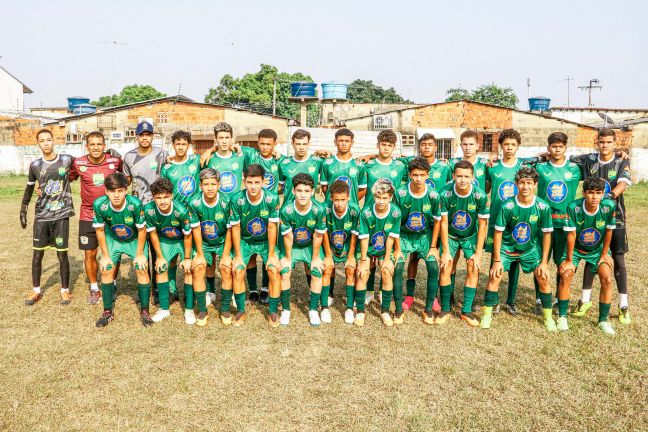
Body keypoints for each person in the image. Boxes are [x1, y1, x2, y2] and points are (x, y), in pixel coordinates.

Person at [480, 167, 555, 331]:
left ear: (535, 184)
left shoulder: (543, 207)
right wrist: (497, 260)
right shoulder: (507, 206)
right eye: (522, 183)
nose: (525, 187)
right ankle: (486, 315)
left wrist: (544, 262)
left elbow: (547, 235)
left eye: (529, 183)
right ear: (516, 184)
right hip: (507, 248)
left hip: (530, 249)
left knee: (543, 278)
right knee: (495, 275)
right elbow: (498, 232)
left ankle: (548, 318)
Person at [570, 128, 632, 324]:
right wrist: (545, 155)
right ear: (597, 142)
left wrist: (605, 199)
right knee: (591, 256)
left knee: (618, 261)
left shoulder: (622, 161)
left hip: (616, 217)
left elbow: (622, 185)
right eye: (602, 142)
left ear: (615, 143)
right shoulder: (588, 159)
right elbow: (564, 156)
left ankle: (623, 306)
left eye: (609, 142)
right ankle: (585, 300)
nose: (605, 145)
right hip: (590, 219)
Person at [557, 177, 617, 335]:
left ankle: (603, 320)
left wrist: (604, 254)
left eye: (598, 193)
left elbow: (609, 230)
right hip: (575, 249)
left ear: (603, 194)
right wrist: (569, 260)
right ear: (584, 193)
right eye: (591, 193)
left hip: (597, 250)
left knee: (607, 278)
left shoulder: (609, 206)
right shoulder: (573, 207)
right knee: (566, 274)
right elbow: (571, 235)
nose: (594, 197)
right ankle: (562, 316)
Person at [20, 129, 74, 306]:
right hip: (42, 215)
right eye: (42, 141)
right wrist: (23, 209)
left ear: (54, 141)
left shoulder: (66, 160)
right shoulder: (35, 165)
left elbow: (87, 161)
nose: (46, 143)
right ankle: (36, 291)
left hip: (61, 215)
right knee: (37, 254)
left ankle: (65, 291)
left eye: (49, 140)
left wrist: (111, 153)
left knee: (62, 255)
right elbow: (29, 187)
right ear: (38, 144)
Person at [92, 173, 152, 327]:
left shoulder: (135, 204)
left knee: (141, 268)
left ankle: (145, 311)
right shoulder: (100, 204)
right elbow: (99, 231)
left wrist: (139, 255)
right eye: (112, 191)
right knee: (106, 269)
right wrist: (105, 256)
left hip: (133, 240)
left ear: (126, 190)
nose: (116, 195)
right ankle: (107, 312)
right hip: (113, 239)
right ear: (106, 192)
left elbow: (142, 230)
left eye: (120, 191)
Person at [69, 131, 123, 304]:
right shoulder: (78, 163)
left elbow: (125, 178)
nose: (96, 147)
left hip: (111, 214)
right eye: (92, 144)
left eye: (99, 144)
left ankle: (112, 283)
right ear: (87, 146)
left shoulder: (114, 161)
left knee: (113, 252)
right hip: (87, 214)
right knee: (90, 253)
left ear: (104, 145)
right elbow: (65, 178)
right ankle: (94, 288)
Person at [484, 129, 532, 315]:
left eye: (513, 144)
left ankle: (510, 300)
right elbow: (487, 188)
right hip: (497, 219)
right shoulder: (493, 168)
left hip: (518, 221)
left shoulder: (524, 167)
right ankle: (494, 299)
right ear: (501, 146)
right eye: (506, 144)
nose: (509, 148)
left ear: (518, 146)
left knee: (515, 260)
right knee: (496, 258)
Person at [533, 132, 582, 314]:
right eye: (554, 146)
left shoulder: (575, 169)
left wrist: (620, 155)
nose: (557, 149)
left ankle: (557, 297)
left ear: (565, 148)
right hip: (544, 223)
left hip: (566, 224)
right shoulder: (540, 168)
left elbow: (596, 162)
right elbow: (517, 165)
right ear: (548, 148)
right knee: (541, 261)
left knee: (562, 262)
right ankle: (540, 298)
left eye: (560, 146)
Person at [437, 160, 489, 327]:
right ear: (453, 176)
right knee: (446, 266)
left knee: (473, 266)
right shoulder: (445, 193)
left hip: (470, 236)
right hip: (451, 235)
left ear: (472, 177)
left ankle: (466, 311)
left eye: (466, 176)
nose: (462, 180)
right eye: (459, 176)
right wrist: (445, 251)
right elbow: (443, 223)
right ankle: (445, 308)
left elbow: (482, 225)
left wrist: (479, 253)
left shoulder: (480, 195)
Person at [229, 164, 282, 327]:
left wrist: (272, 254)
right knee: (238, 271)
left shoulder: (272, 198)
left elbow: (273, 227)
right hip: (245, 239)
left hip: (266, 240)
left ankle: (273, 311)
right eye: (249, 182)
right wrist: (237, 256)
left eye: (257, 182)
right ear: (244, 181)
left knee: (273, 269)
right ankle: (240, 311)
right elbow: (235, 227)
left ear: (263, 182)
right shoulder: (236, 199)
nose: (253, 186)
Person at [359, 129, 407, 306]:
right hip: (370, 217)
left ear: (394, 147)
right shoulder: (368, 166)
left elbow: (418, 164)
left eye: (389, 145)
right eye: (383, 144)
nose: (386, 148)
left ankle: (381, 290)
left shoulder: (400, 166)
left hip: (389, 217)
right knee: (370, 254)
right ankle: (369, 291)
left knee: (385, 256)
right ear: (378, 145)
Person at [122, 121, 169, 303]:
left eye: (148, 134)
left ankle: (158, 288)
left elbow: (171, 171)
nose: (144, 137)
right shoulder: (128, 157)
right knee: (141, 250)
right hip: (138, 209)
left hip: (157, 208)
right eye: (141, 135)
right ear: (137, 136)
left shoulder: (162, 154)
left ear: (152, 136)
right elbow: (125, 182)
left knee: (157, 250)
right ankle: (146, 286)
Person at [144, 178, 202, 323]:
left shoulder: (181, 210)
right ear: (153, 197)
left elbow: (188, 236)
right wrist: (159, 256)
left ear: (172, 195)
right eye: (158, 198)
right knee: (161, 267)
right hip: (165, 240)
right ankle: (164, 309)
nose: (162, 201)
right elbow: (153, 234)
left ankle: (188, 310)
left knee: (189, 269)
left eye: (166, 197)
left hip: (182, 240)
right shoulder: (149, 210)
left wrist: (187, 258)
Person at [393, 157, 441, 324]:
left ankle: (428, 309)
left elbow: (437, 221)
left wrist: (434, 246)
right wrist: (397, 248)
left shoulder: (434, 195)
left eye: (422, 174)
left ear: (428, 175)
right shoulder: (400, 193)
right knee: (398, 267)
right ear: (409, 174)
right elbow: (395, 223)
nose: (418, 178)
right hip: (404, 236)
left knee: (434, 267)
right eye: (415, 175)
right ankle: (399, 309)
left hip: (424, 237)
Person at [279, 173, 330, 326]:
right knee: (285, 271)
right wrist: (288, 258)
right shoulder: (286, 210)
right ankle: (286, 309)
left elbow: (318, 235)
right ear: (293, 191)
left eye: (306, 191)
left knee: (316, 271)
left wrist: (315, 258)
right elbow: (287, 237)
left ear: (313, 191)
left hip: (309, 245)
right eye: (299, 191)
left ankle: (313, 309)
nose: (303, 195)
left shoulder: (319, 209)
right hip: (292, 246)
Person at [187, 168, 232, 327]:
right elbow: (196, 229)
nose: (210, 187)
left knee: (226, 267)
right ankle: (202, 309)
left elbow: (230, 230)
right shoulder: (194, 202)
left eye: (213, 184)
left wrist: (226, 255)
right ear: (200, 186)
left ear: (219, 185)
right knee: (199, 267)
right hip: (204, 242)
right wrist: (199, 253)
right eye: (206, 184)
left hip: (223, 240)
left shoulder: (227, 202)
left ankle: (225, 308)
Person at [355, 179, 403, 327]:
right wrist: (363, 260)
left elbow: (390, 238)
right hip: (367, 249)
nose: (381, 201)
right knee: (363, 273)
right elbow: (364, 238)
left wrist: (387, 259)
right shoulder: (366, 212)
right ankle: (361, 311)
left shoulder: (395, 212)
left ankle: (385, 311)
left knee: (387, 271)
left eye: (385, 198)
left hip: (383, 250)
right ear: (374, 196)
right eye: (378, 197)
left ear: (390, 197)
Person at [323, 180, 361, 324]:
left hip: (347, 246)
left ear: (348, 197)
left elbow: (354, 234)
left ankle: (350, 307)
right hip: (330, 246)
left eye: (343, 200)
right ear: (331, 198)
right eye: (336, 200)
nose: (339, 203)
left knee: (350, 270)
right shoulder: (325, 209)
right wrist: (327, 255)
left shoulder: (354, 210)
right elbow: (324, 232)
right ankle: (325, 306)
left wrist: (351, 256)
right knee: (327, 269)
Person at [278, 129, 325, 204]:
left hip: (309, 208)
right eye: (298, 144)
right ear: (292, 144)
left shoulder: (317, 161)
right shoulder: (284, 164)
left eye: (304, 144)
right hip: (288, 208)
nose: (301, 147)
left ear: (309, 144)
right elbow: (279, 186)